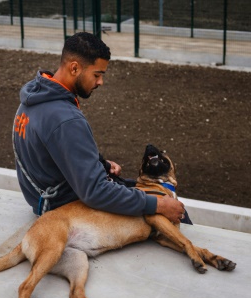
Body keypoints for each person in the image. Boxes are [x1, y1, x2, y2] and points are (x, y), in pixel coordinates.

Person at [13, 32, 186, 224]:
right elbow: (95, 192)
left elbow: (50, 153)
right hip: (61, 209)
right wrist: (158, 206)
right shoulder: (65, 119)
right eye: (97, 75)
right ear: (74, 68)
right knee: (164, 210)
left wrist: (97, 164)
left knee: (138, 190)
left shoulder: (34, 97)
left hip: (41, 197)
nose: (100, 82)